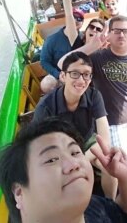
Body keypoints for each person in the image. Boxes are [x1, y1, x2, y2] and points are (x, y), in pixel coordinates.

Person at [0, 118, 127, 223]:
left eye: (75, 152)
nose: (73, 164)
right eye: (51, 160)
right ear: (19, 193)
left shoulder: (93, 207)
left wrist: (125, 176)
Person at [58, 15, 127, 148]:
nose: (121, 34)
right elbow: (62, 64)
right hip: (115, 126)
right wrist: (92, 46)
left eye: (126, 31)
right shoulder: (97, 58)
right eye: (116, 31)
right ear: (109, 35)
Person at [35, 51, 116, 198]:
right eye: (74, 74)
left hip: (87, 143)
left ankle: (111, 205)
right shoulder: (46, 107)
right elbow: (42, 146)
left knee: (110, 165)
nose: (81, 80)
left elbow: (104, 140)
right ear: (63, 76)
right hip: (61, 150)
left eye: (86, 74)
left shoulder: (94, 95)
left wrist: (82, 157)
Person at [40, 7, 85, 93]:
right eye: (73, 17)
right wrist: (58, 74)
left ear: (82, 23)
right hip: (60, 73)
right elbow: (44, 61)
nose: (76, 20)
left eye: (79, 19)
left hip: (80, 72)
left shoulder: (83, 38)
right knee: (46, 84)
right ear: (67, 19)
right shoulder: (52, 40)